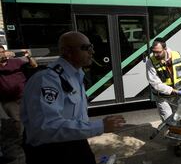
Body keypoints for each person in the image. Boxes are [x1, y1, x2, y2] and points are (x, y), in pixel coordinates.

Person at [21, 31, 126, 164]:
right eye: (85, 48)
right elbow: (45, 127)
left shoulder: (76, 75)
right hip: (52, 151)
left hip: (75, 142)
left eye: (91, 47)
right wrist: (100, 126)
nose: (92, 52)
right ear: (67, 51)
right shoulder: (47, 80)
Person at [146, 37, 181, 121]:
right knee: (168, 120)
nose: (155, 55)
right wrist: (174, 91)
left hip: (177, 96)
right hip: (162, 97)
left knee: (179, 119)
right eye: (153, 52)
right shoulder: (150, 62)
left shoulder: (177, 56)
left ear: (165, 49)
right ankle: (167, 133)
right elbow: (155, 83)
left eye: (158, 52)